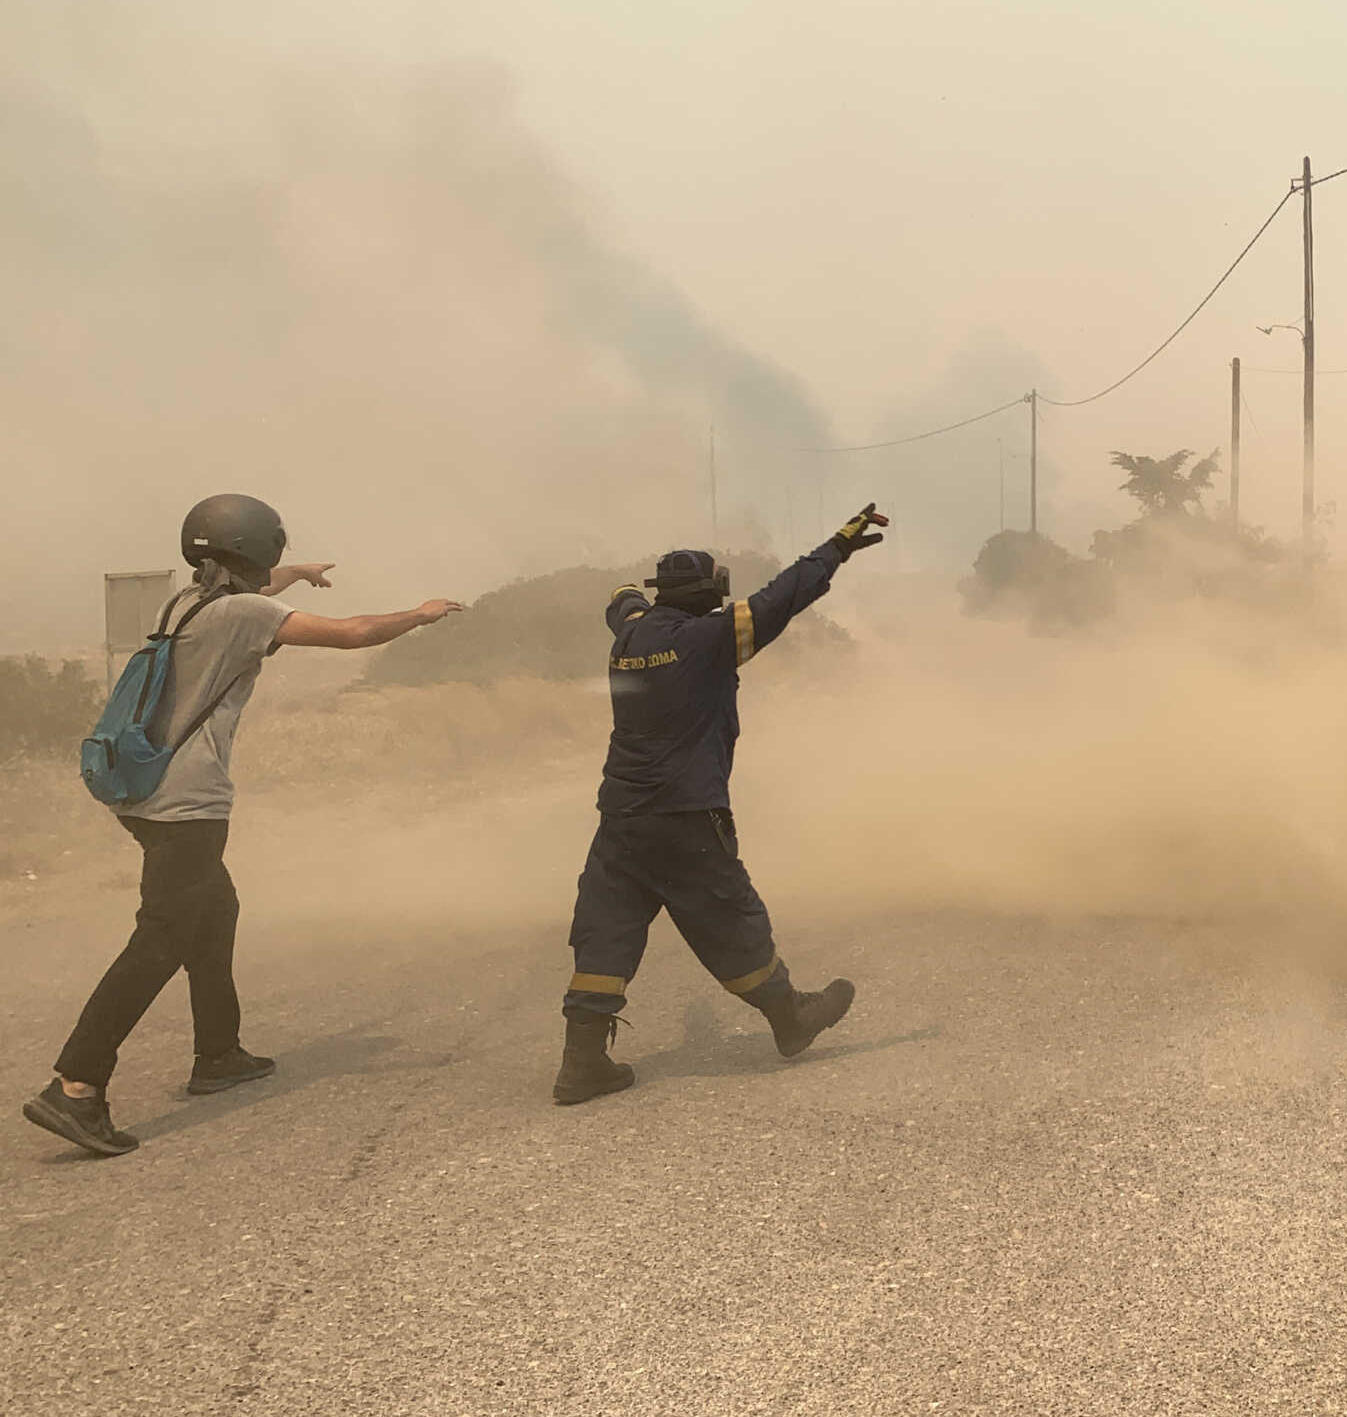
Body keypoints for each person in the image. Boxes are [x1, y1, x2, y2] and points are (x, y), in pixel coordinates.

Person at [23, 494, 464, 1158]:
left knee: (215, 907)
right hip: (188, 805)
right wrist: (421, 615)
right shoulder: (245, 614)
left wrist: (300, 571)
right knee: (163, 937)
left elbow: (257, 592)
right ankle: (77, 1085)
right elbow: (351, 633)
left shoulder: (185, 603)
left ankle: (218, 1053)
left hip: (143, 796)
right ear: (257, 552)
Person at [552, 504, 890, 1105]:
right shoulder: (710, 638)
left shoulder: (632, 630)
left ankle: (581, 1064)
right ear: (711, 593)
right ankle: (791, 1018)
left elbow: (621, 599)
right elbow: (785, 595)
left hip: (622, 818)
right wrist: (836, 547)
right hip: (687, 814)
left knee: (605, 927)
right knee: (729, 916)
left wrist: (629, 581)